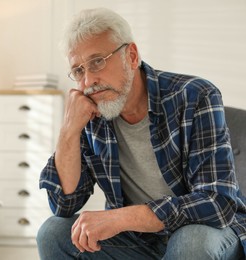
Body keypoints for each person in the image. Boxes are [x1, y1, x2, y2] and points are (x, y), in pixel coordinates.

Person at [36, 7, 246, 260]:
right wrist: (69, 130)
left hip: (209, 236)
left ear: (131, 56)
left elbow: (217, 203)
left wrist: (123, 217)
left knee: (190, 241)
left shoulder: (195, 95)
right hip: (138, 241)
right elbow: (63, 204)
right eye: (79, 70)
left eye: (97, 61)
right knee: (53, 233)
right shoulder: (92, 110)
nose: (89, 80)